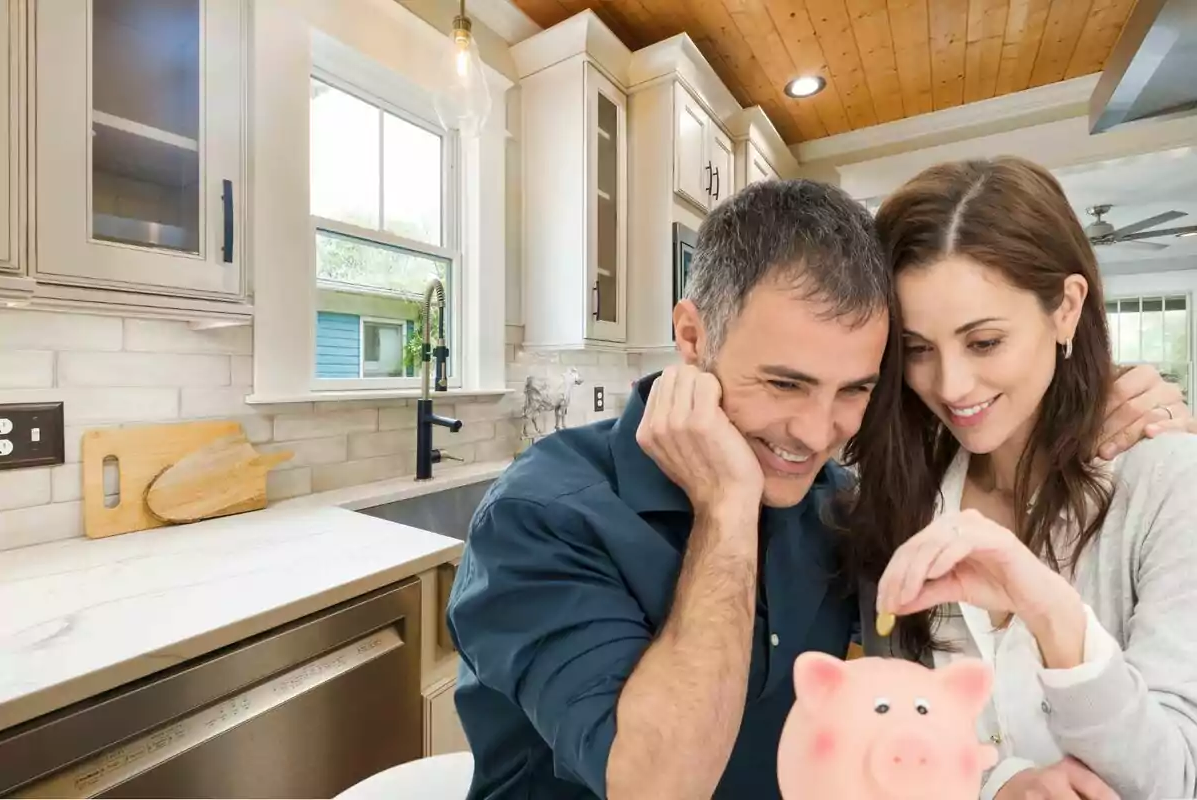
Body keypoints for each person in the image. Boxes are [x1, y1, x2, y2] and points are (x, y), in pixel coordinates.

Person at [447, 179, 1192, 799]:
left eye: (855, 389)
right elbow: (655, 786)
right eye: (783, 382)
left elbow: (896, 720)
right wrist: (727, 508)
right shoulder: (542, 515)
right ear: (693, 336)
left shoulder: (845, 508)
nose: (813, 431)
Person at [849, 157, 1197, 800]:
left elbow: (1174, 777)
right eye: (918, 349)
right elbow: (898, 728)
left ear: (1066, 309)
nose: (949, 386)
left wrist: (1048, 608)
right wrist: (1001, 784)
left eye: (983, 343)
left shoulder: (1167, 481)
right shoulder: (901, 497)